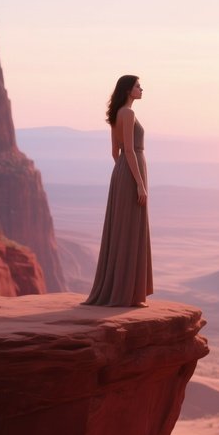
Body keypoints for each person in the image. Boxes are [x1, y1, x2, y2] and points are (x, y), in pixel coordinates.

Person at [83, 75, 153, 307]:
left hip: (121, 173)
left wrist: (122, 174)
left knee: (121, 231)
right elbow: (130, 151)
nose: (141, 89)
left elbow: (116, 152)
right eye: (137, 86)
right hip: (132, 173)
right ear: (128, 90)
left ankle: (122, 291)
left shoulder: (116, 115)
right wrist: (139, 184)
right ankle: (129, 295)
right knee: (131, 230)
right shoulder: (129, 114)